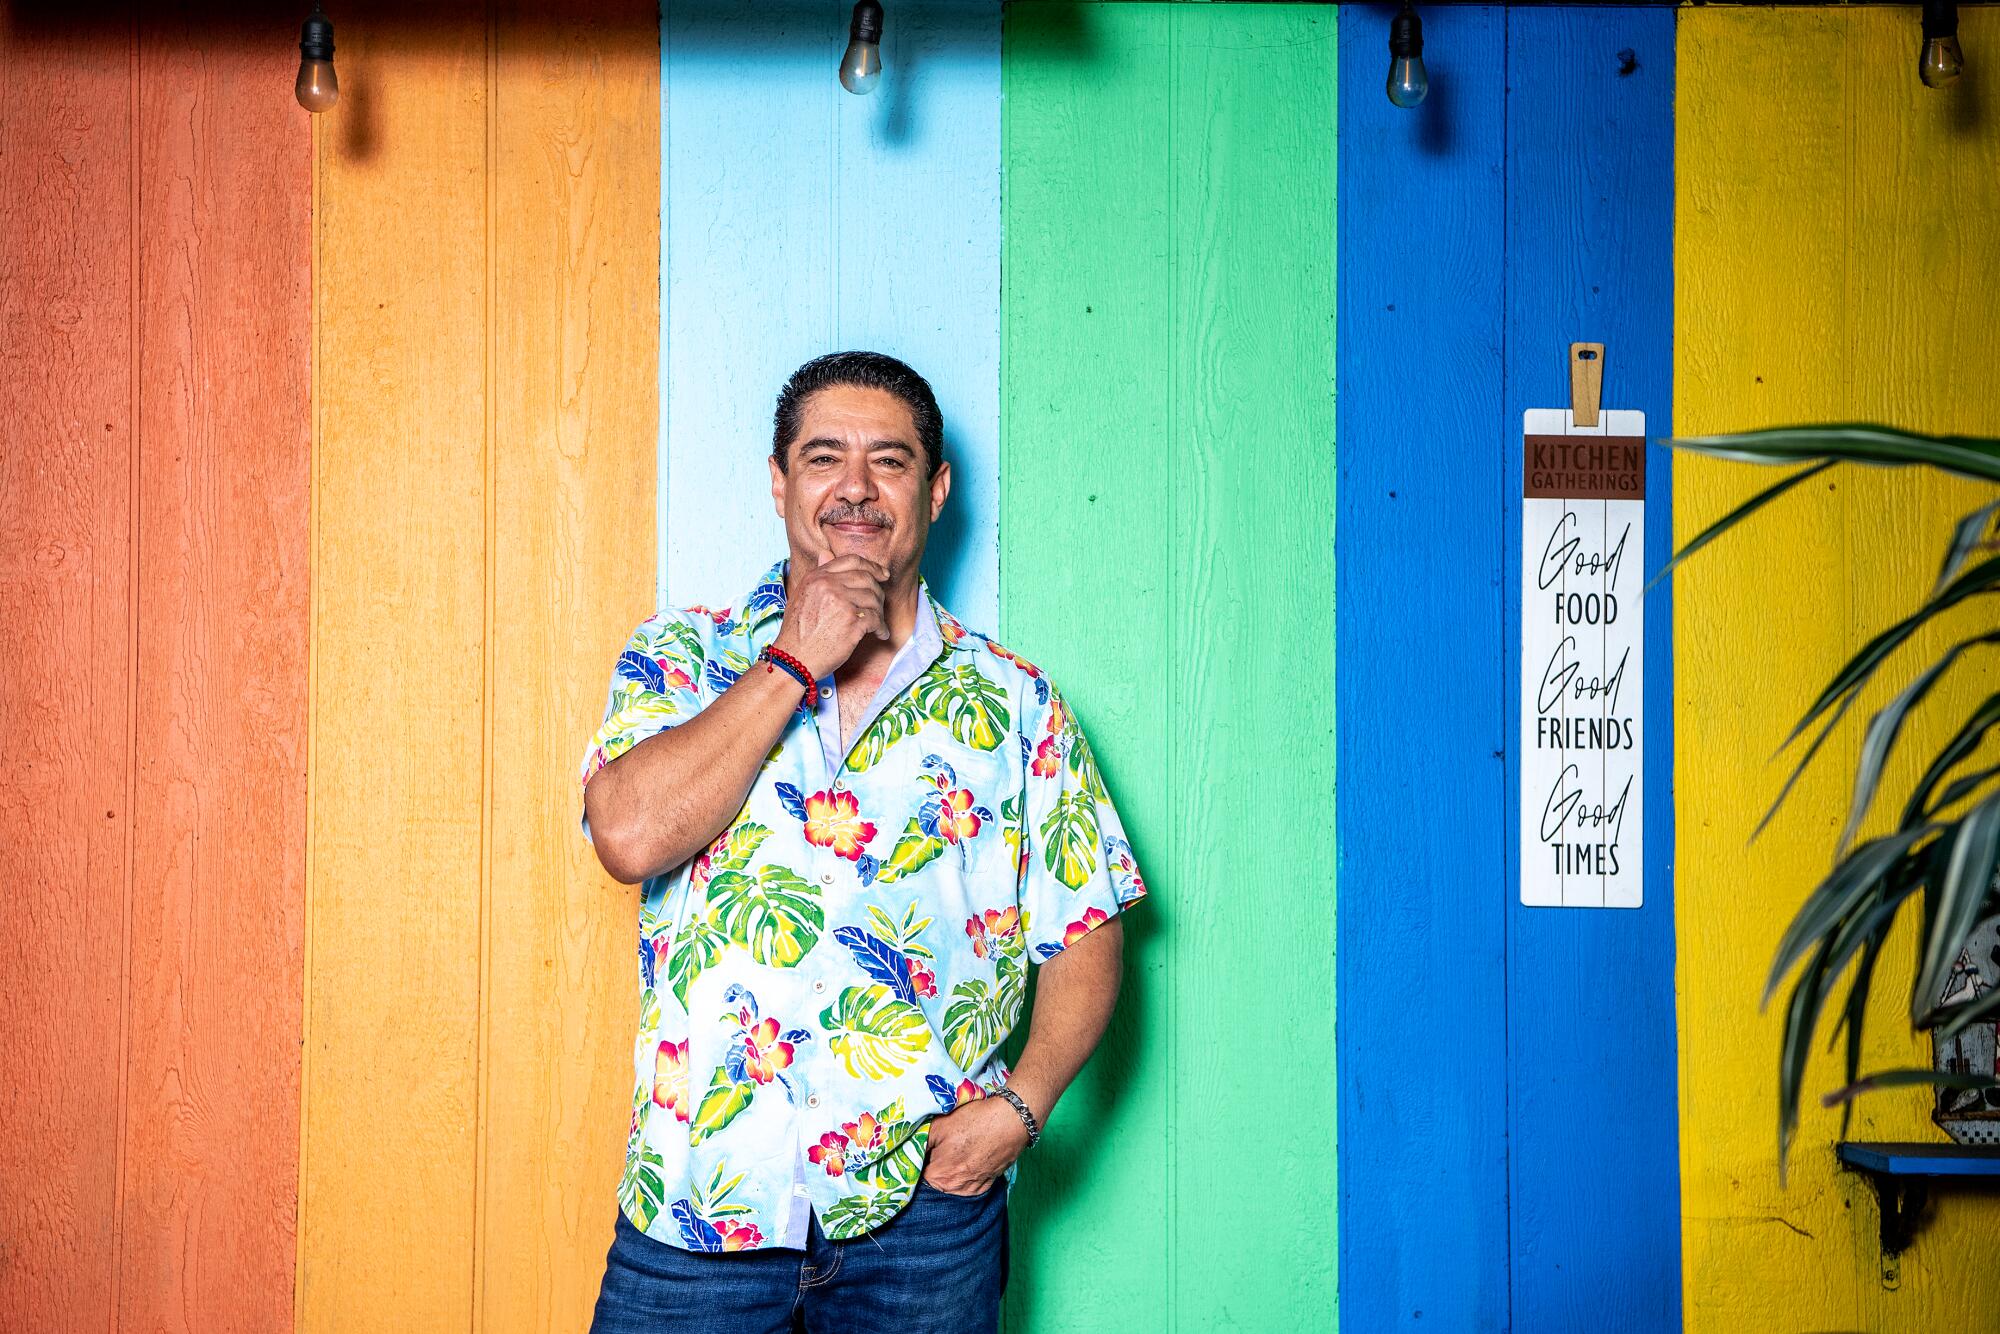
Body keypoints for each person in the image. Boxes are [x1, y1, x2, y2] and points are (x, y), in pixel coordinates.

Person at [578, 351, 1146, 1333]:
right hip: (696, 1202)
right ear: (777, 480)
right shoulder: (678, 656)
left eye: (887, 460)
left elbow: (1087, 926)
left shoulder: (1013, 703)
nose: (853, 486)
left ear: (934, 489)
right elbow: (626, 834)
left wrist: (1020, 1107)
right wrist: (794, 658)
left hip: (923, 1217)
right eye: (822, 456)